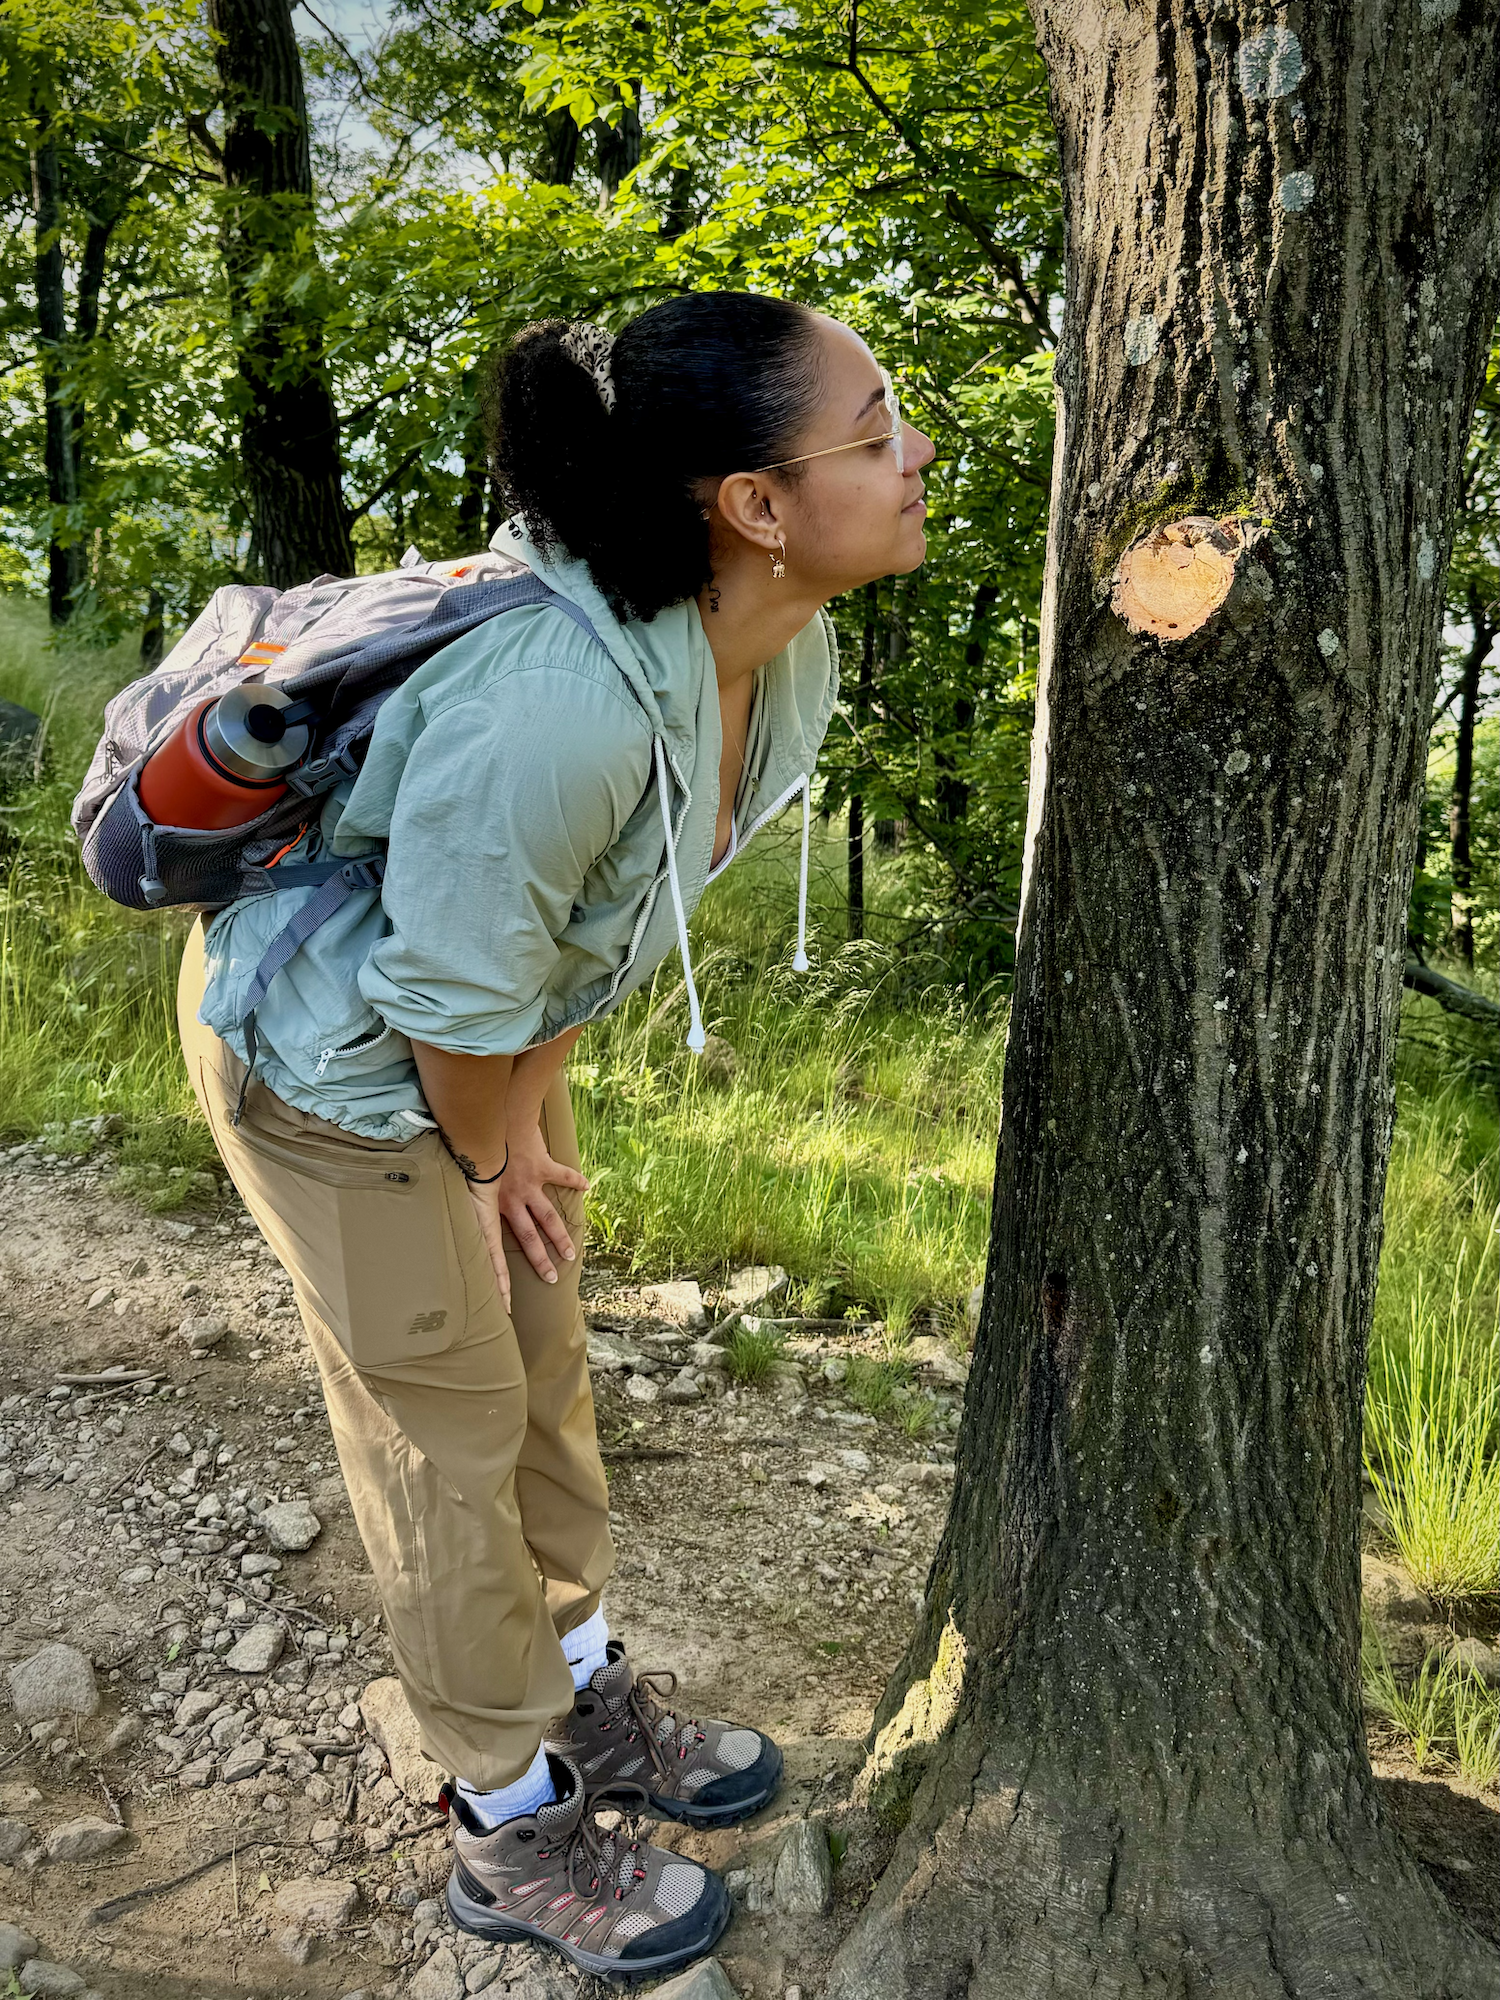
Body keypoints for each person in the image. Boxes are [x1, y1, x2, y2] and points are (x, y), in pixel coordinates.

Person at [176, 291, 934, 1983]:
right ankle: (504, 1819)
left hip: (478, 1039)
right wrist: (482, 1141)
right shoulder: (553, 710)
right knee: (442, 1427)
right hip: (340, 1076)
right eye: (876, 428)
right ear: (752, 503)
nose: (918, 454)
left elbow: (611, 920)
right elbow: (448, 1003)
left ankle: (582, 1690)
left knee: (539, 1345)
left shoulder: (777, 647)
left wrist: (522, 1125)